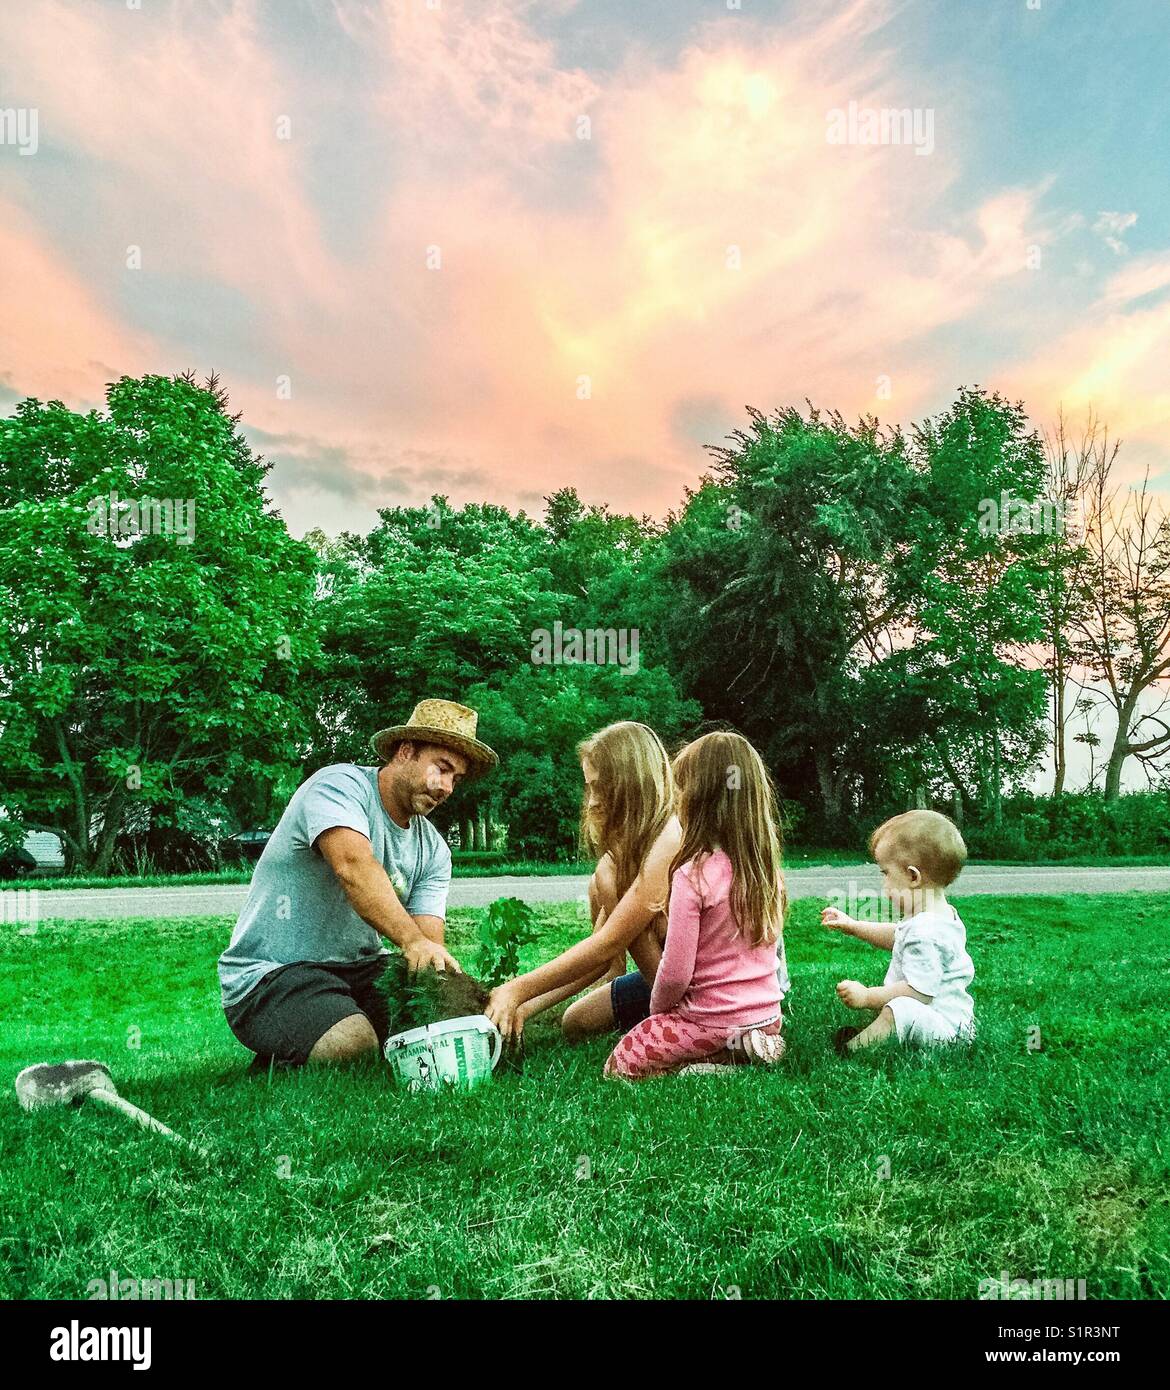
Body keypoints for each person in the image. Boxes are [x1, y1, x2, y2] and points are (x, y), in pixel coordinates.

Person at [218, 699, 497, 1067]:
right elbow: (353, 867)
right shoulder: (338, 787)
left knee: (436, 1031)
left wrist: (454, 999)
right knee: (354, 1047)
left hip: (361, 969)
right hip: (274, 974)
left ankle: (315, 1036)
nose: (446, 787)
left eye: (455, 779)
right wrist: (411, 941)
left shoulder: (433, 849)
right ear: (405, 751)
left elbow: (428, 944)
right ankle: (284, 1055)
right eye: (441, 769)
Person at [605, 731, 789, 1078]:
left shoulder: (693, 875)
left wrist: (658, 1011)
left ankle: (704, 1067)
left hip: (711, 1020)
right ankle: (742, 1052)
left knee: (621, 1063)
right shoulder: (768, 873)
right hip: (767, 1018)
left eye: (681, 788)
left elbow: (675, 974)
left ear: (699, 799)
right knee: (740, 1032)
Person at [486, 721, 680, 1045]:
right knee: (576, 1021)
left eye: (600, 786)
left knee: (607, 880)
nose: (591, 801)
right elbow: (600, 955)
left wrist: (514, 989)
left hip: (704, 988)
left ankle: (681, 1021)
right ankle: (661, 1014)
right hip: (658, 981)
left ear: (630, 783)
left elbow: (611, 942)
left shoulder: (670, 836)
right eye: (588, 787)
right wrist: (525, 1005)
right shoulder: (625, 856)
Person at [822, 809, 975, 1054]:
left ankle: (852, 1050)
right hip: (939, 1020)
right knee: (896, 1008)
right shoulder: (932, 919)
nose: (884, 884)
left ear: (913, 877)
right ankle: (875, 1035)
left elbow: (918, 993)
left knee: (901, 1008)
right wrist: (855, 927)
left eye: (886, 873)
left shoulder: (927, 931)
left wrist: (867, 996)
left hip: (944, 1029)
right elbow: (897, 936)